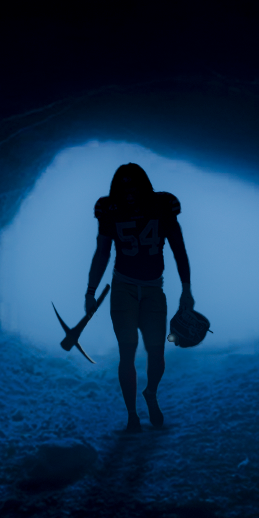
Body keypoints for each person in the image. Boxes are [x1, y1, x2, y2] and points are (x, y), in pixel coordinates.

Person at [85, 163, 193, 431]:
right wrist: (90, 291)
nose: (130, 194)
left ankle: (151, 392)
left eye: (135, 188)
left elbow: (178, 248)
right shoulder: (110, 208)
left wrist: (186, 289)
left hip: (154, 287)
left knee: (156, 352)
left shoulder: (161, 204)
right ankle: (132, 414)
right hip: (124, 287)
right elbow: (102, 251)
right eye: (125, 189)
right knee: (127, 351)